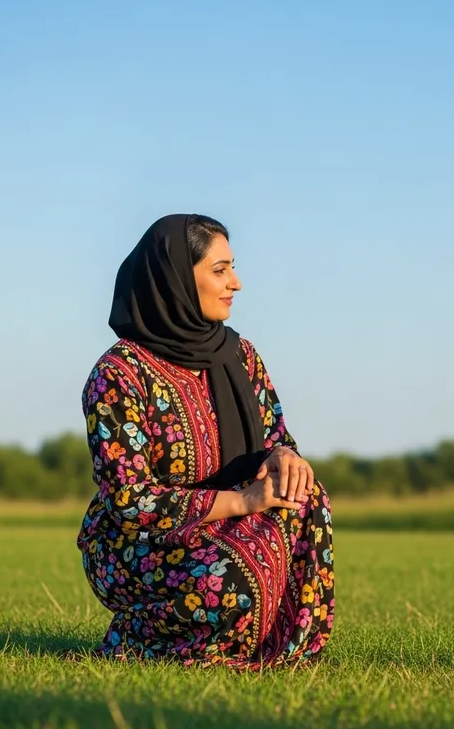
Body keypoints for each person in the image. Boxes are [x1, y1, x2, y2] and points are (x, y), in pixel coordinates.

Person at [76, 214, 334, 669]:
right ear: (174, 279)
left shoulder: (241, 356)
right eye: (219, 270)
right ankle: (135, 638)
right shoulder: (118, 376)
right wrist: (246, 502)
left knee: (305, 494)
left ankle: (280, 645)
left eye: (232, 267)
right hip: (138, 545)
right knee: (230, 580)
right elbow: (129, 501)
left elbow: (277, 437)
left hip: (229, 529)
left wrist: (284, 457)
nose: (235, 282)